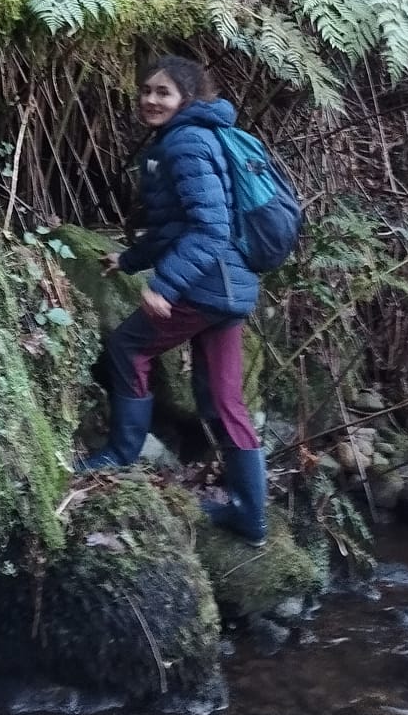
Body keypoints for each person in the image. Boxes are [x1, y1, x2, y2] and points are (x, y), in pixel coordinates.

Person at [76, 55, 267, 545]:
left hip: (207, 285)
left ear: (186, 98)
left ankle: (120, 454)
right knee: (225, 403)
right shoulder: (186, 139)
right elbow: (175, 225)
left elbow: (211, 229)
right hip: (227, 288)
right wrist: (132, 259)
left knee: (128, 347)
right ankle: (251, 517)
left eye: (163, 93)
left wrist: (164, 287)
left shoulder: (186, 144)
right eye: (146, 90)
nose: (150, 100)